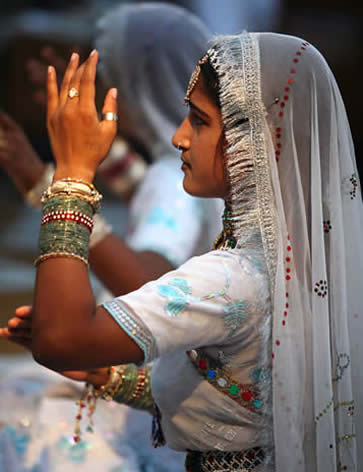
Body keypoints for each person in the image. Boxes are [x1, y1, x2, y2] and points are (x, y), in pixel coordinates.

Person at [4, 30, 363, 472]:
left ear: (256, 142)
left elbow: (61, 340)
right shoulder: (303, 255)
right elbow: (240, 400)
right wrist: (108, 374)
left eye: (198, 120)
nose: (179, 137)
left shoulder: (233, 278)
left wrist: (71, 175)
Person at [0, 2, 222, 299]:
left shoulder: (172, 176)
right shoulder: (198, 166)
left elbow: (147, 285)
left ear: (137, 89)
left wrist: (44, 182)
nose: (100, 88)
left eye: (104, 78)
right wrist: (91, 126)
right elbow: (147, 193)